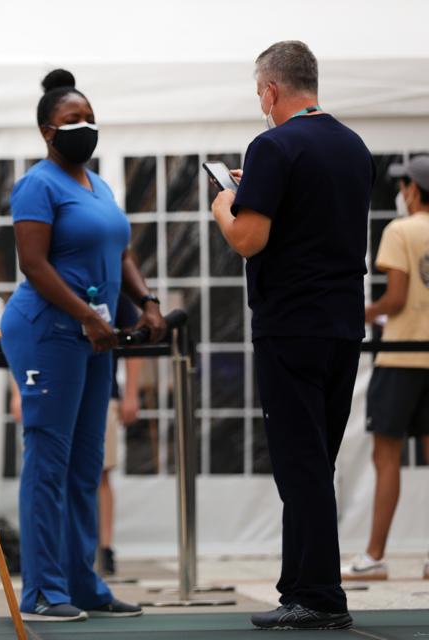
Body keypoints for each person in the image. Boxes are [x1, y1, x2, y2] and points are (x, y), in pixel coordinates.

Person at [210, 41, 373, 630]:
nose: (260, 102)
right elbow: (316, 213)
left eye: (260, 93)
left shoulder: (273, 145)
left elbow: (249, 238)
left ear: (272, 90)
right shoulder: (353, 146)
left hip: (290, 324)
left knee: (299, 464)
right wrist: (259, 185)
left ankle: (320, 596)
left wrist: (226, 204)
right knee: (316, 460)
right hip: (342, 322)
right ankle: (300, 584)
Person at [0, 68, 165, 622]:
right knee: (48, 459)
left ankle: (83, 582)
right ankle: (42, 591)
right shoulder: (37, 185)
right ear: (48, 131)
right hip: (49, 329)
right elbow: (33, 264)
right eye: (73, 120)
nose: (85, 127)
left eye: (90, 117)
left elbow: (120, 255)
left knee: (86, 463)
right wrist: (85, 318)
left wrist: (147, 302)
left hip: (96, 335)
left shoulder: (102, 187)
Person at [343, 156, 429, 582]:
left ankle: (375, 554)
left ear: (413, 189)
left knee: (386, 456)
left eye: (404, 185)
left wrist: (366, 312)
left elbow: (395, 299)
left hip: (401, 355)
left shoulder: (400, 230)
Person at [98, 295, 143, 576]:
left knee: (101, 473)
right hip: (60, 392)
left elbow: (135, 342)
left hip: (105, 393)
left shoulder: (114, 290)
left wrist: (131, 394)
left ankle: (105, 547)